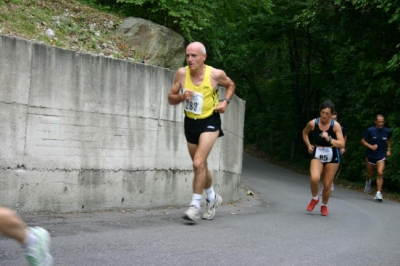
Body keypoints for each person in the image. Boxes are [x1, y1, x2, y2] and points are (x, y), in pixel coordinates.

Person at [168, 41, 235, 221]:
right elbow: (170, 98)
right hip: (190, 122)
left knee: (198, 163)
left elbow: (231, 85)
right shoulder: (182, 74)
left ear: (203, 57)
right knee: (201, 166)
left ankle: (195, 206)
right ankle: (212, 197)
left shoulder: (215, 74)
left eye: (194, 56)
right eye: (187, 55)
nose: (190, 59)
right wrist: (182, 96)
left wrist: (225, 102)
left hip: (210, 121)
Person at [302, 100, 345, 216]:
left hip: (332, 154)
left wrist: (329, 139)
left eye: (327, 113)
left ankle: (324, 205)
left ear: (331, 114)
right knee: (314, 178)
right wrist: (308, 145)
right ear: (319, 112)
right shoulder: (313, 123)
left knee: (327, 184)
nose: (324, 116)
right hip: (317, 152)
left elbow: (342, 144)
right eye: (322, 112)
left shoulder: (335, 126)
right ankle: (315, 198)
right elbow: (304, 133)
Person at [361, 114, 392, 202]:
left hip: (381, 156)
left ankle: (378, 193)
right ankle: (368, 182)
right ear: (376, 122)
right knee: (369, 174)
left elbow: (389, 139)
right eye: (379, 122)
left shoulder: (387, 131)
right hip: (370, 156)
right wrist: (370, 146)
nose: (381, 123)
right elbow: (362, 141)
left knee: (380, 173)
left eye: (382, 122)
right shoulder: (370, 130)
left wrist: (389, 149)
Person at [319, 111, 347, 194]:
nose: (334, 120)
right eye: (332, 119)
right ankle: (330, 183)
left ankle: (326, 187)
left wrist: (342, 147)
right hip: (324, 150)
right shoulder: (323, 126)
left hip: (335, 150)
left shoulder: (340, 128)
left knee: (331, 169)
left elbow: (344, 137)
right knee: (324, 170)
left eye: (335, 119)